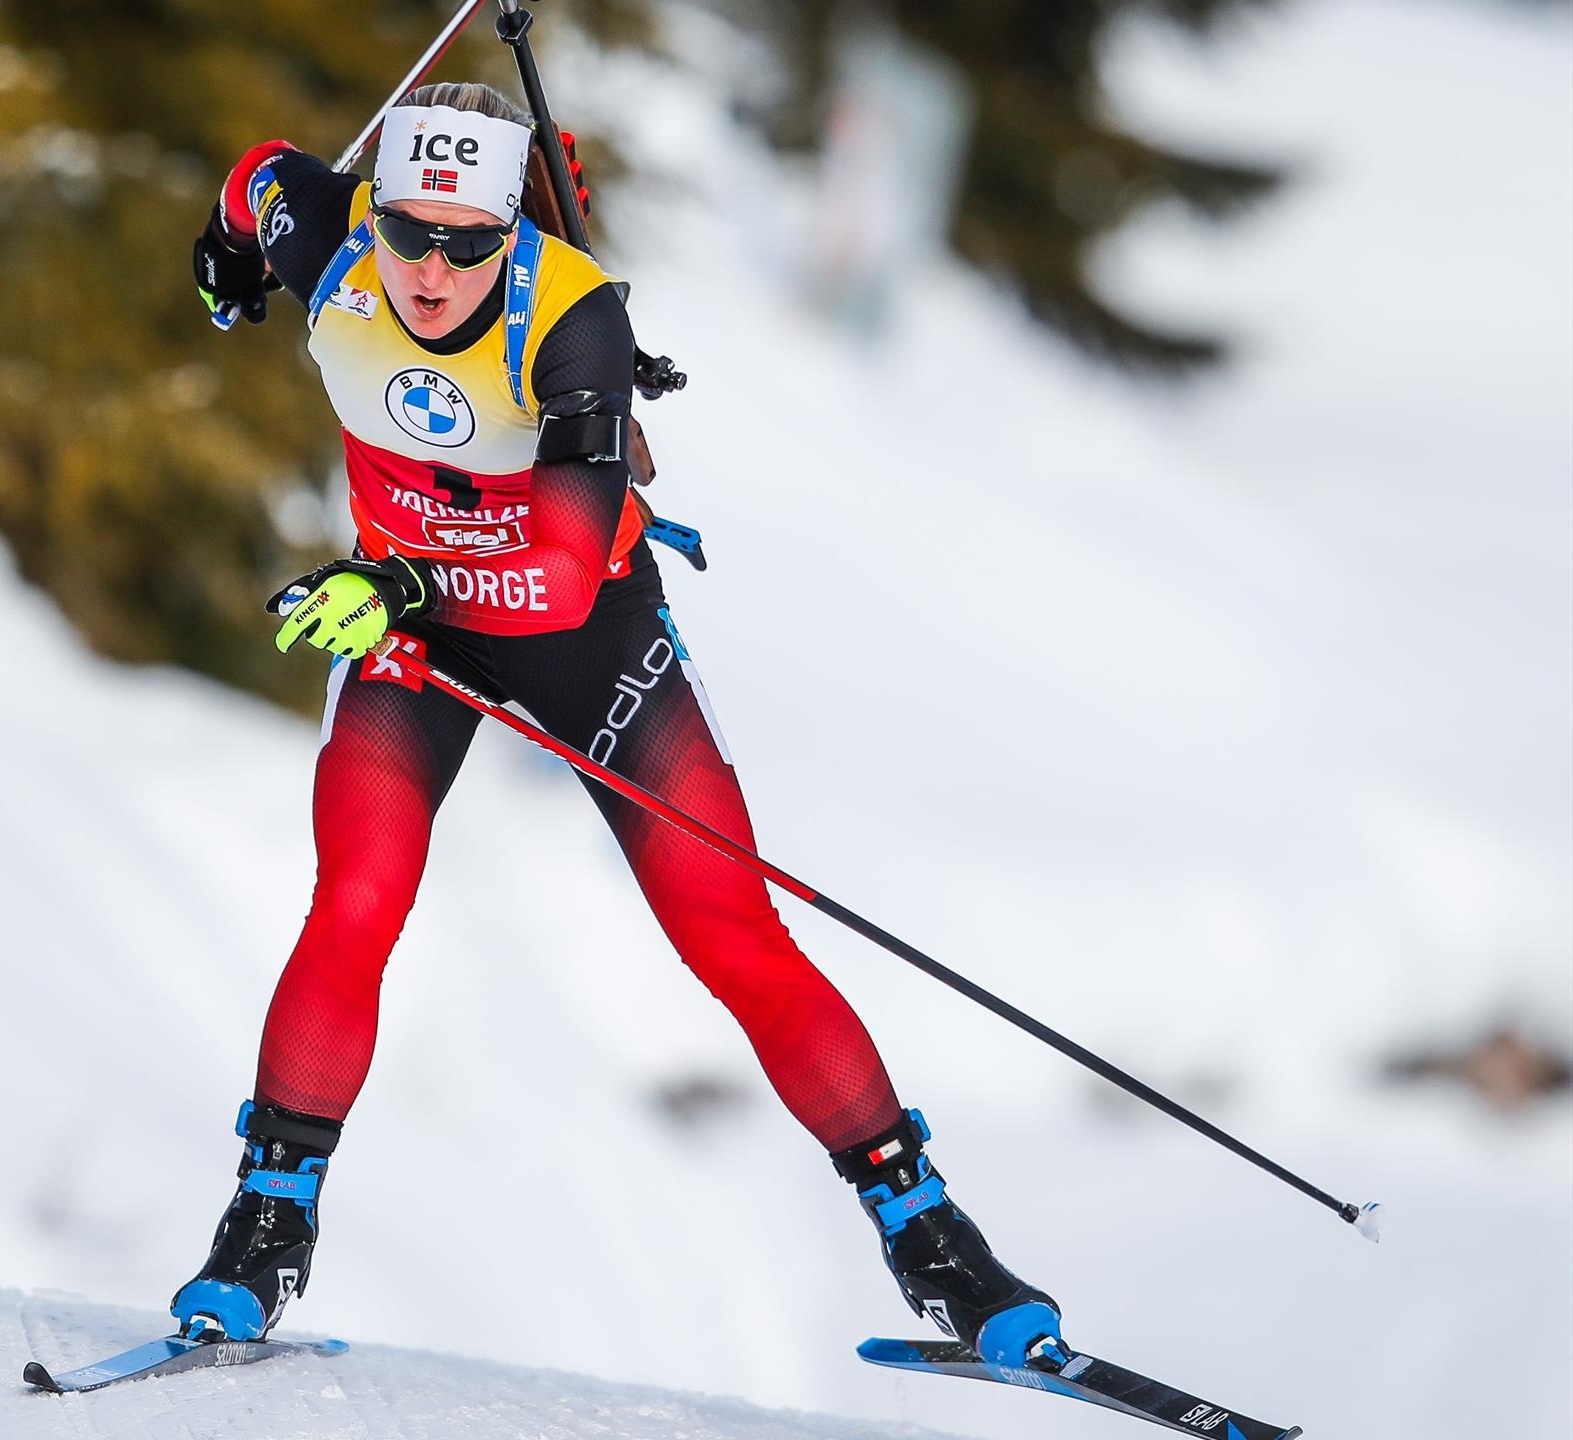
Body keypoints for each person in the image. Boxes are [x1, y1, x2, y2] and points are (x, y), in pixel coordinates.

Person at [174, 82, 1061, 1369]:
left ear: (506, 234)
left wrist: (397, 585)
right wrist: (222, 255)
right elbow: (257, 168)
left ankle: (933, 1246)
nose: (430, 269)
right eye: (407, 232)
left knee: (732, 933)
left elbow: (561, 570)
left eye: (467, 241)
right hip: (408, 631)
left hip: (577, 636)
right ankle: (262, 1235)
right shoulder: (329, 242)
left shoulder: (573, 313)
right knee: (354, 901)